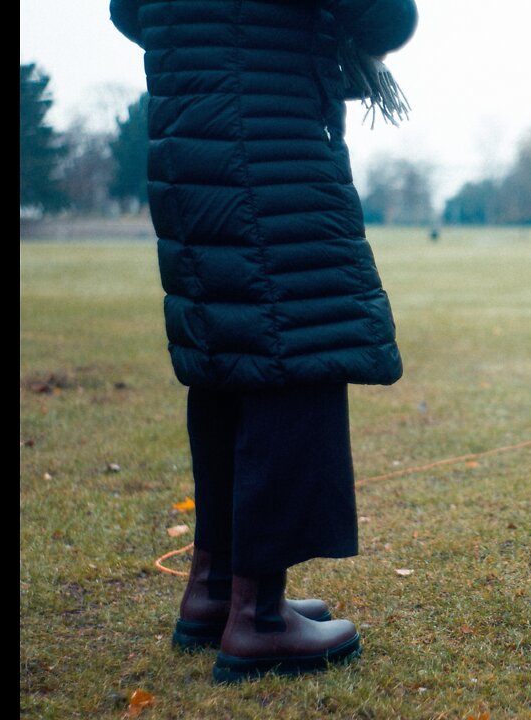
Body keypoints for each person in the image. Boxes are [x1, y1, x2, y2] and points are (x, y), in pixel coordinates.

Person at [110, 0, 417, 682]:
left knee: (232, 355)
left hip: (189, 139)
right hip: (268, 142)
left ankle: (216, 589)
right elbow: (386, 17)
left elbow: (129, 11)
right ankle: (261, 618)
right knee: (296, 352)